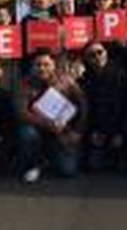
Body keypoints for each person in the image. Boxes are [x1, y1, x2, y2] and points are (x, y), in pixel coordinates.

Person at [17, 49, 87, 183]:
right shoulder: (25, 83)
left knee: (68, 170)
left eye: (46, 64)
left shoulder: (67, 81)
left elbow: (83, 105)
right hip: (38, 129)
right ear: (33, 66)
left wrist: (78, 131)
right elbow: (22, 112)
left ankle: (51, 157)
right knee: (27, 133)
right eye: (38, 65)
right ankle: (34, 164)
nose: (42, 68)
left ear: (54, 65)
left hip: (62, 131)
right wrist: (47, 124)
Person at [81, 43, 127, 171]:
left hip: (119, 130)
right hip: (99, 132)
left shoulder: (122, 76)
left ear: (106, 53)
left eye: (100, 52)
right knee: (94, 165)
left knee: (123, 167)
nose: (97, 56)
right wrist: (93, 132)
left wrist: (121, 133)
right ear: (87, 59)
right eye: (92, 55)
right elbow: (88, 110)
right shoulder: (86, 79)